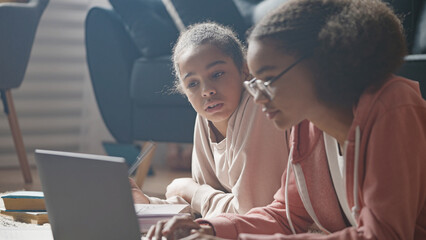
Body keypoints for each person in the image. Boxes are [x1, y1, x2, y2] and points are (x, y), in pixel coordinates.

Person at [145, 0, 426, 239]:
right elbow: (285, 215)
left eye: (267, 79)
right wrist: (208, 229)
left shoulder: (392, 106)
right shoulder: (305, 126)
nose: (258, 95)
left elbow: (384, 235)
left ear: (318, 63)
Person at [131, 22, 288, 219]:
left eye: (217, 74)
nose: (206, 90)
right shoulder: (206, 116)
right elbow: (204, 208)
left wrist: (190, 190)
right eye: (193, 83)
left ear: (245, 70)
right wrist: (149, 203)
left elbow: (252, 213)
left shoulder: (258, 106)